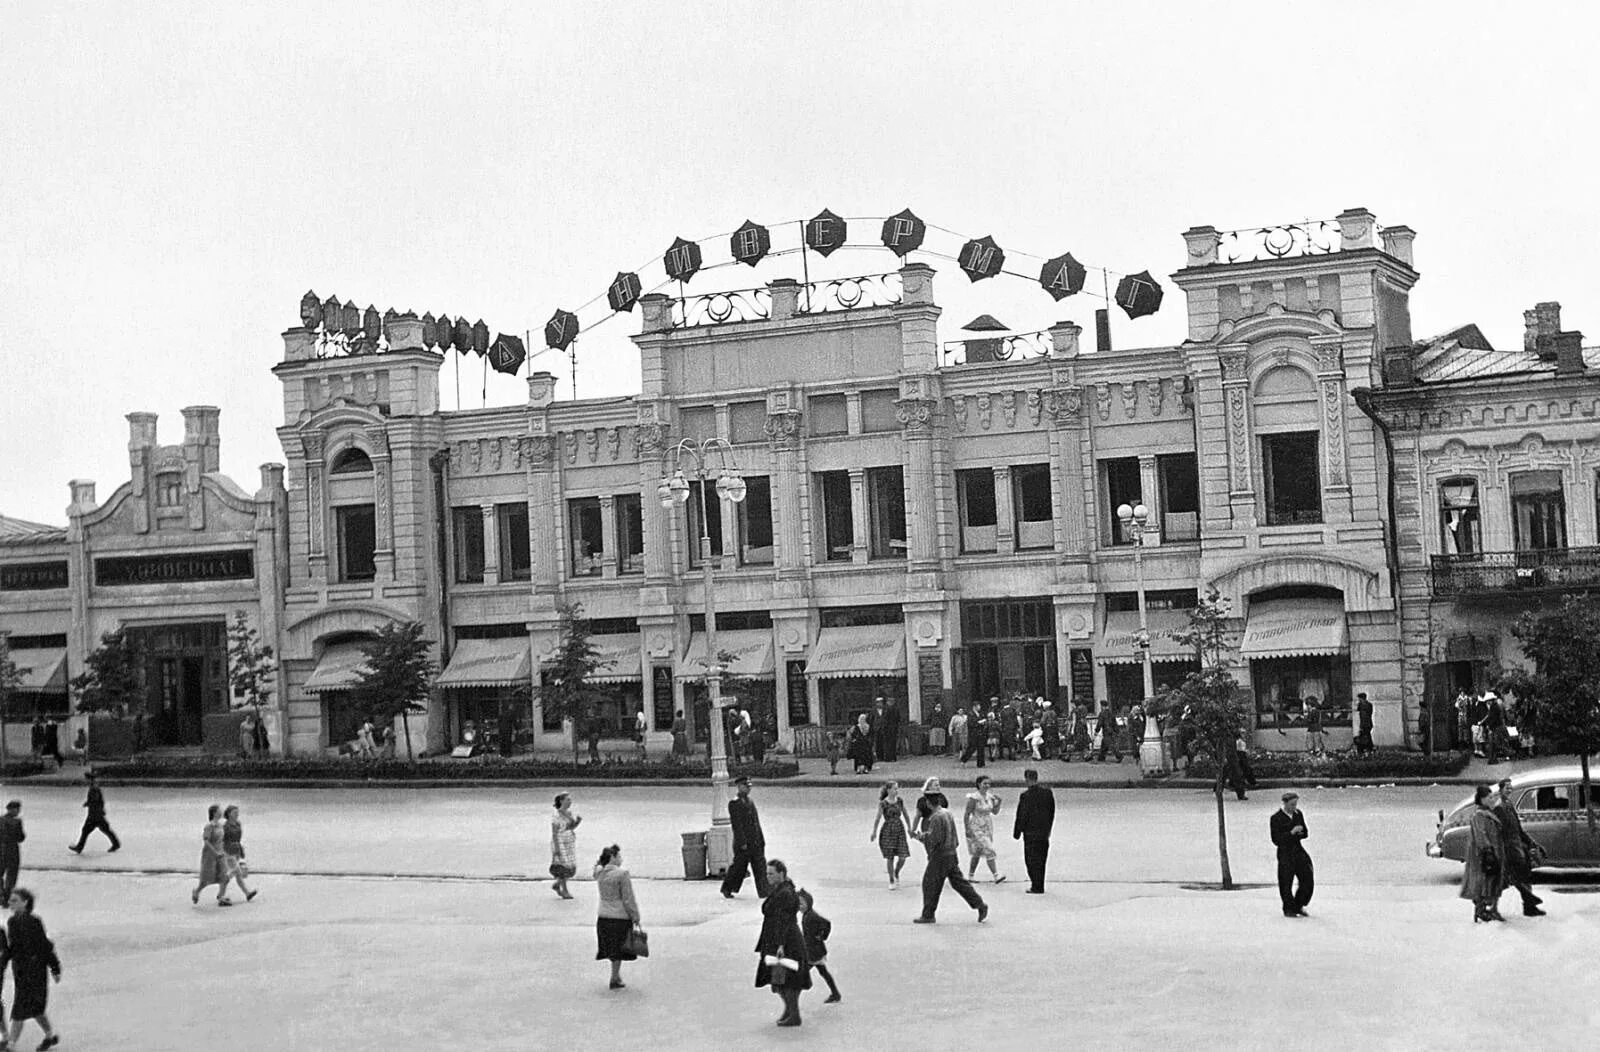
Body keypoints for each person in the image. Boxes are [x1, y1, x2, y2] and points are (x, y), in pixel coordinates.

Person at [911, 792, 987, 925]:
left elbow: (935, 838)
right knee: (958, 882)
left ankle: (928, 914)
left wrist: (922, 837)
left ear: (929, 804)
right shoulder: (947, 813)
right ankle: (979, 903)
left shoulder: (935, 817)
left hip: (940, 855)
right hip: (951, 853)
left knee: (930, 883)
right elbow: (953, 834)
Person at [0, 888, 61, 1050]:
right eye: (10, 900)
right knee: (36, 1009)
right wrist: (3, 962)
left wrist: (55, 967)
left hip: (35, 971)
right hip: (21, 971)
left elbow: (45, 946)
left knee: (20, 1009)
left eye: (15, 900)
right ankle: (50, 1035)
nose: (10, 903)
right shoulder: (12, 922)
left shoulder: (34, 922)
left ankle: (11, 1045)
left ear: (25, 903)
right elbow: (13, 948)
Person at [753, 859, 810, 1027]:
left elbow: (783, 920)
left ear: (781, 874)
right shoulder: (782, 890)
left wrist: (780, 945)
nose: (767, 876)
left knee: (786, 979)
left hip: (785, 941)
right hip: (779, 939)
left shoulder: (784, 893)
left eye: (771, 873)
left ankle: (794, 1013)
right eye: (767, 873)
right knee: (781, 978)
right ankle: (790, 1010)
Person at [1493, 778, 1545, 918]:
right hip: (1510, 849)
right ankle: (1529, 902)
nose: (1509, 789)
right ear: (1500, 789)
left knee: (1520, 877)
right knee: (1513, 879)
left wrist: (1531, 843)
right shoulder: (1499, 807)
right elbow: (1500, 832)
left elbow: (1518, 829)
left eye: (1511, 787)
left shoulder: (1509, 804)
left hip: (1518, 847)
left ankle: (1529, 905)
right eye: (1506, 787)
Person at [594, 844, 641, 989]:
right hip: (619, 916)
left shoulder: (600, 874)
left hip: (603, 916)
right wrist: (635, 915)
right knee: (619, 948)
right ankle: (615, 977)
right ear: (613, 857)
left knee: (612, 948)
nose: (621, 859)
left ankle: (616, 975)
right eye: (619, 856)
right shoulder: (622, 874)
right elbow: (628, 898)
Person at [1460, 785, 1505, 923]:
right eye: (1489, 797)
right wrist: (1488, 851)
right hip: (1483, 854)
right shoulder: (1479, 815)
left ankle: (1483, 908)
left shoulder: (1487, 812)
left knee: (1489, 880)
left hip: (1491, 850)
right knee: (1483, 881)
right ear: (1482, 799)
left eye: (1492, 797)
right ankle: (1480, 910)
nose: (1492, 800)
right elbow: (1481, 834)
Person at [721, 776, 769, 899]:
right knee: (739, 868)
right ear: (739, 787)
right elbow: (737, 825)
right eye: (745, 786)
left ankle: (764, 890)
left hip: (755, 841)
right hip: (743, 843)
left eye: (749, 786)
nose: (748, 789)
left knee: (760, 866)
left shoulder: (750, 801)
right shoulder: (734, 803)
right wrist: (742, 842)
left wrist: (761, 839)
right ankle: (727, 888)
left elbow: (756, 823)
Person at [1270, 792, 1313, 918]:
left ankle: (1299, 904)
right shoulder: (1276, 818)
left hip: (1298, 850)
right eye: (1292, 804)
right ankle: (1288, 908)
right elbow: (1276, 839)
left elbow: (1305, 833)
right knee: (1286, 881)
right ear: (1285, 803)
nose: (1294, 807)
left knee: (1307, 878)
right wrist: (1291, 833)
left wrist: (1299, 832)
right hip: (1285, 852)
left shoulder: (1298, 814)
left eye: (1295, 804)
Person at [1013, 769, 1056, 894]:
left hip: (1030, 833)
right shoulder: (1047, 793)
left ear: (1026, 779)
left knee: (1031, 860)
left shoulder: (1025, 796)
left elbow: (1021, 815)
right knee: (1042, 859)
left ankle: (1035, 884)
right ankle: (1040, 884)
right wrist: (1048, 828)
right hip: (1043, 832)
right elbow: (1051, 812)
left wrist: (1017, 832)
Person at [796, 887, 840, 1004]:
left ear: (808, 903)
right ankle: (835, 993)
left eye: (801, 903)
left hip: (814, 952)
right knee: (823, 972)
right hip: (813, 950)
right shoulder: (806, 915)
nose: (799, 906)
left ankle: (793, 998)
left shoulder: (811, 916)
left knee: (801, 973)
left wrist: (822, 936)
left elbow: (826, 923)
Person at [869, 781, 911, 889]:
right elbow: (878, 818)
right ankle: (891, 879)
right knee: (890, 857)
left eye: (897, 789)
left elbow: (905, 814)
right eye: (894, 789)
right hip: (888, 830)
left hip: (899, 829)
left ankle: (896, 872)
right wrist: (874, 831)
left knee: (903, 856)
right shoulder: (883, 803)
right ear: (888, 790)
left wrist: (910, 827)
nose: (896, 791)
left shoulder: (900, 801)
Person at [964, 775, 1005, 884]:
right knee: (988, 849)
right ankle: (996, 874)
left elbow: (994, 812)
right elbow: (967, 813)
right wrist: (967, 828)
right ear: (979, 784)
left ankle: (971, 875)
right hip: (976, 825)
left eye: (988, 784)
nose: (987, 786)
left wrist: (999, 803)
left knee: (977, 851)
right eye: (984, 783)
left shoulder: (990, 797)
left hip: (987, 825)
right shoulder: (974, 798)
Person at [68, 770, 119, 854]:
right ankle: (116, 843)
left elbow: (95, 800)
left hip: (94, 814)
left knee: (86, 830)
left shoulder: (94, 788)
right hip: (97, 813)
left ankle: (79, 847)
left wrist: (89, 803)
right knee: (105, 829)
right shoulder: (94, 786)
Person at [191, 804, 232, 906]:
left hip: (221, 853)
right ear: (214, 813)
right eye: (219, 810)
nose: (221, 812)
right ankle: (197, 891)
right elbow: (206, 841)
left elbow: (222, 839)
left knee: (224, 876)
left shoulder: (220, 825)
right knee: (207, 878)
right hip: (210, 855)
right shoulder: (209, 826)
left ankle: (221, 896)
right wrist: (215, 852)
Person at [218, 804, 258, 903]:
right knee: (235, 871)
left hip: (235, 851)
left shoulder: (238, 824)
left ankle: (246, 893)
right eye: (234, 812)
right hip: (227, 851)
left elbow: (238, 838)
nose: (237, 814)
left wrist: (241, 850)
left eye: (237, 812)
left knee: (237, 874)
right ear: (229, 814)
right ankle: (221, 895)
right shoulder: (225, 827)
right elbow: (221, 840)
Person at [550, 793, 582, 900]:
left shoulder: (569, 813)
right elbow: (554, 833)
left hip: (569, 841)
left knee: (570, 865)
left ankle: (558, 884)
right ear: (562, 801)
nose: (570, 802)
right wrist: (557, 848)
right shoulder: (556, 815)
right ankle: (564, 890)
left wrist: (577, 822)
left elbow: (570, 827)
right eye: (568, 800)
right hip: (560, 841)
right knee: (564, 865)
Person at [0, 803, 23, 902]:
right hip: (12, 849)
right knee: (12, 874)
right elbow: (21, 837)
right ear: (12, 809)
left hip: (1, 849)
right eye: (17, 809)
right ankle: (7, 895)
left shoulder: (0, 820)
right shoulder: (17, 822)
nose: (18, 811)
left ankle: (1, 893)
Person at [1478, 692, 1506, 765]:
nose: (1487, 702)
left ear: (1491, 700)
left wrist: (1489, 726)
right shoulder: (1494, 706)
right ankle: (1493, 759)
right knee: (1493, 743)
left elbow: (1493, 718)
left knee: (1492, 743)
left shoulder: (1494, 707)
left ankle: (1492, 759)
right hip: (1495, 727)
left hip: (1494, 727)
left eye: (1488, 701)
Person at [879, 698, 901, 763]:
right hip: (894, 729)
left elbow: (884, 719)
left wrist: (883, 727)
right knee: (893, 743)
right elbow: (898, 719)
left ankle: (888, 757)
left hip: (887, 729)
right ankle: (893, 757)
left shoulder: (885, 709)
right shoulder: (896, 709)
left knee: (887, 744)